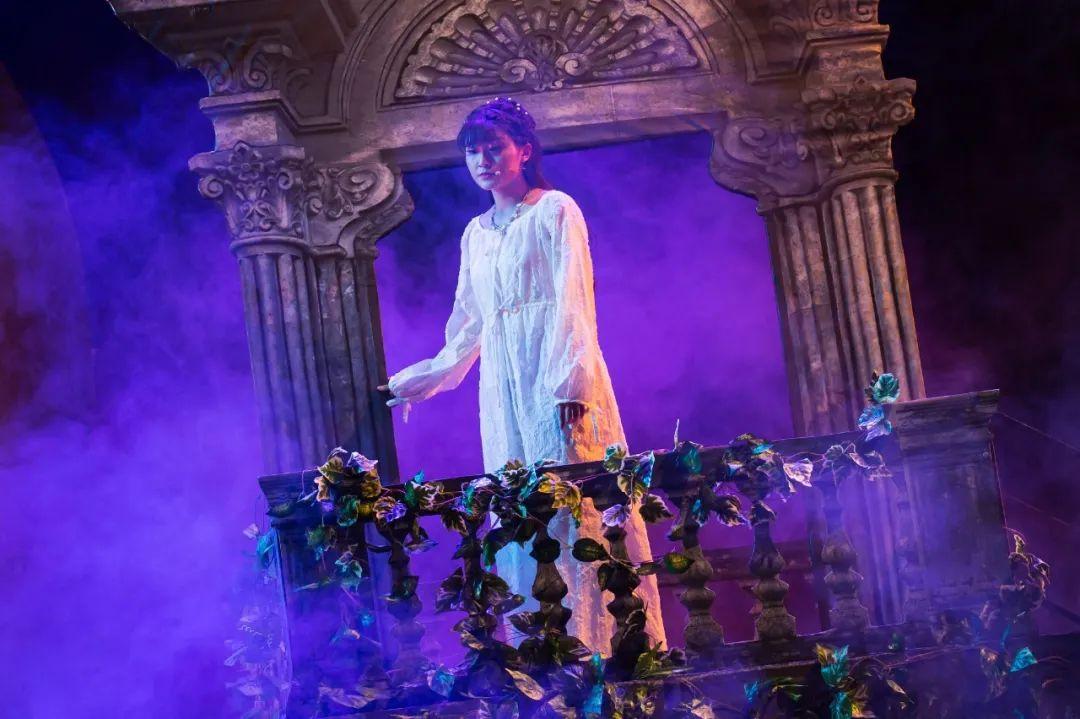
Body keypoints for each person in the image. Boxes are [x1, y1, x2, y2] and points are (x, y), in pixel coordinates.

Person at [379, 97, 665, 652]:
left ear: (523, 151)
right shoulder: (475, 233)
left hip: (555, 374)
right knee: (518, 508)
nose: (483, 160)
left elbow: (573, 298)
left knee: (573, 503)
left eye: (494, 148)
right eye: (473, 152)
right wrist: (420, 380)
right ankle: (539, 651)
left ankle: (604, 647)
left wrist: (570, 383)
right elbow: (469, 325)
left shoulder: (555, 209)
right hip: (502, 386)